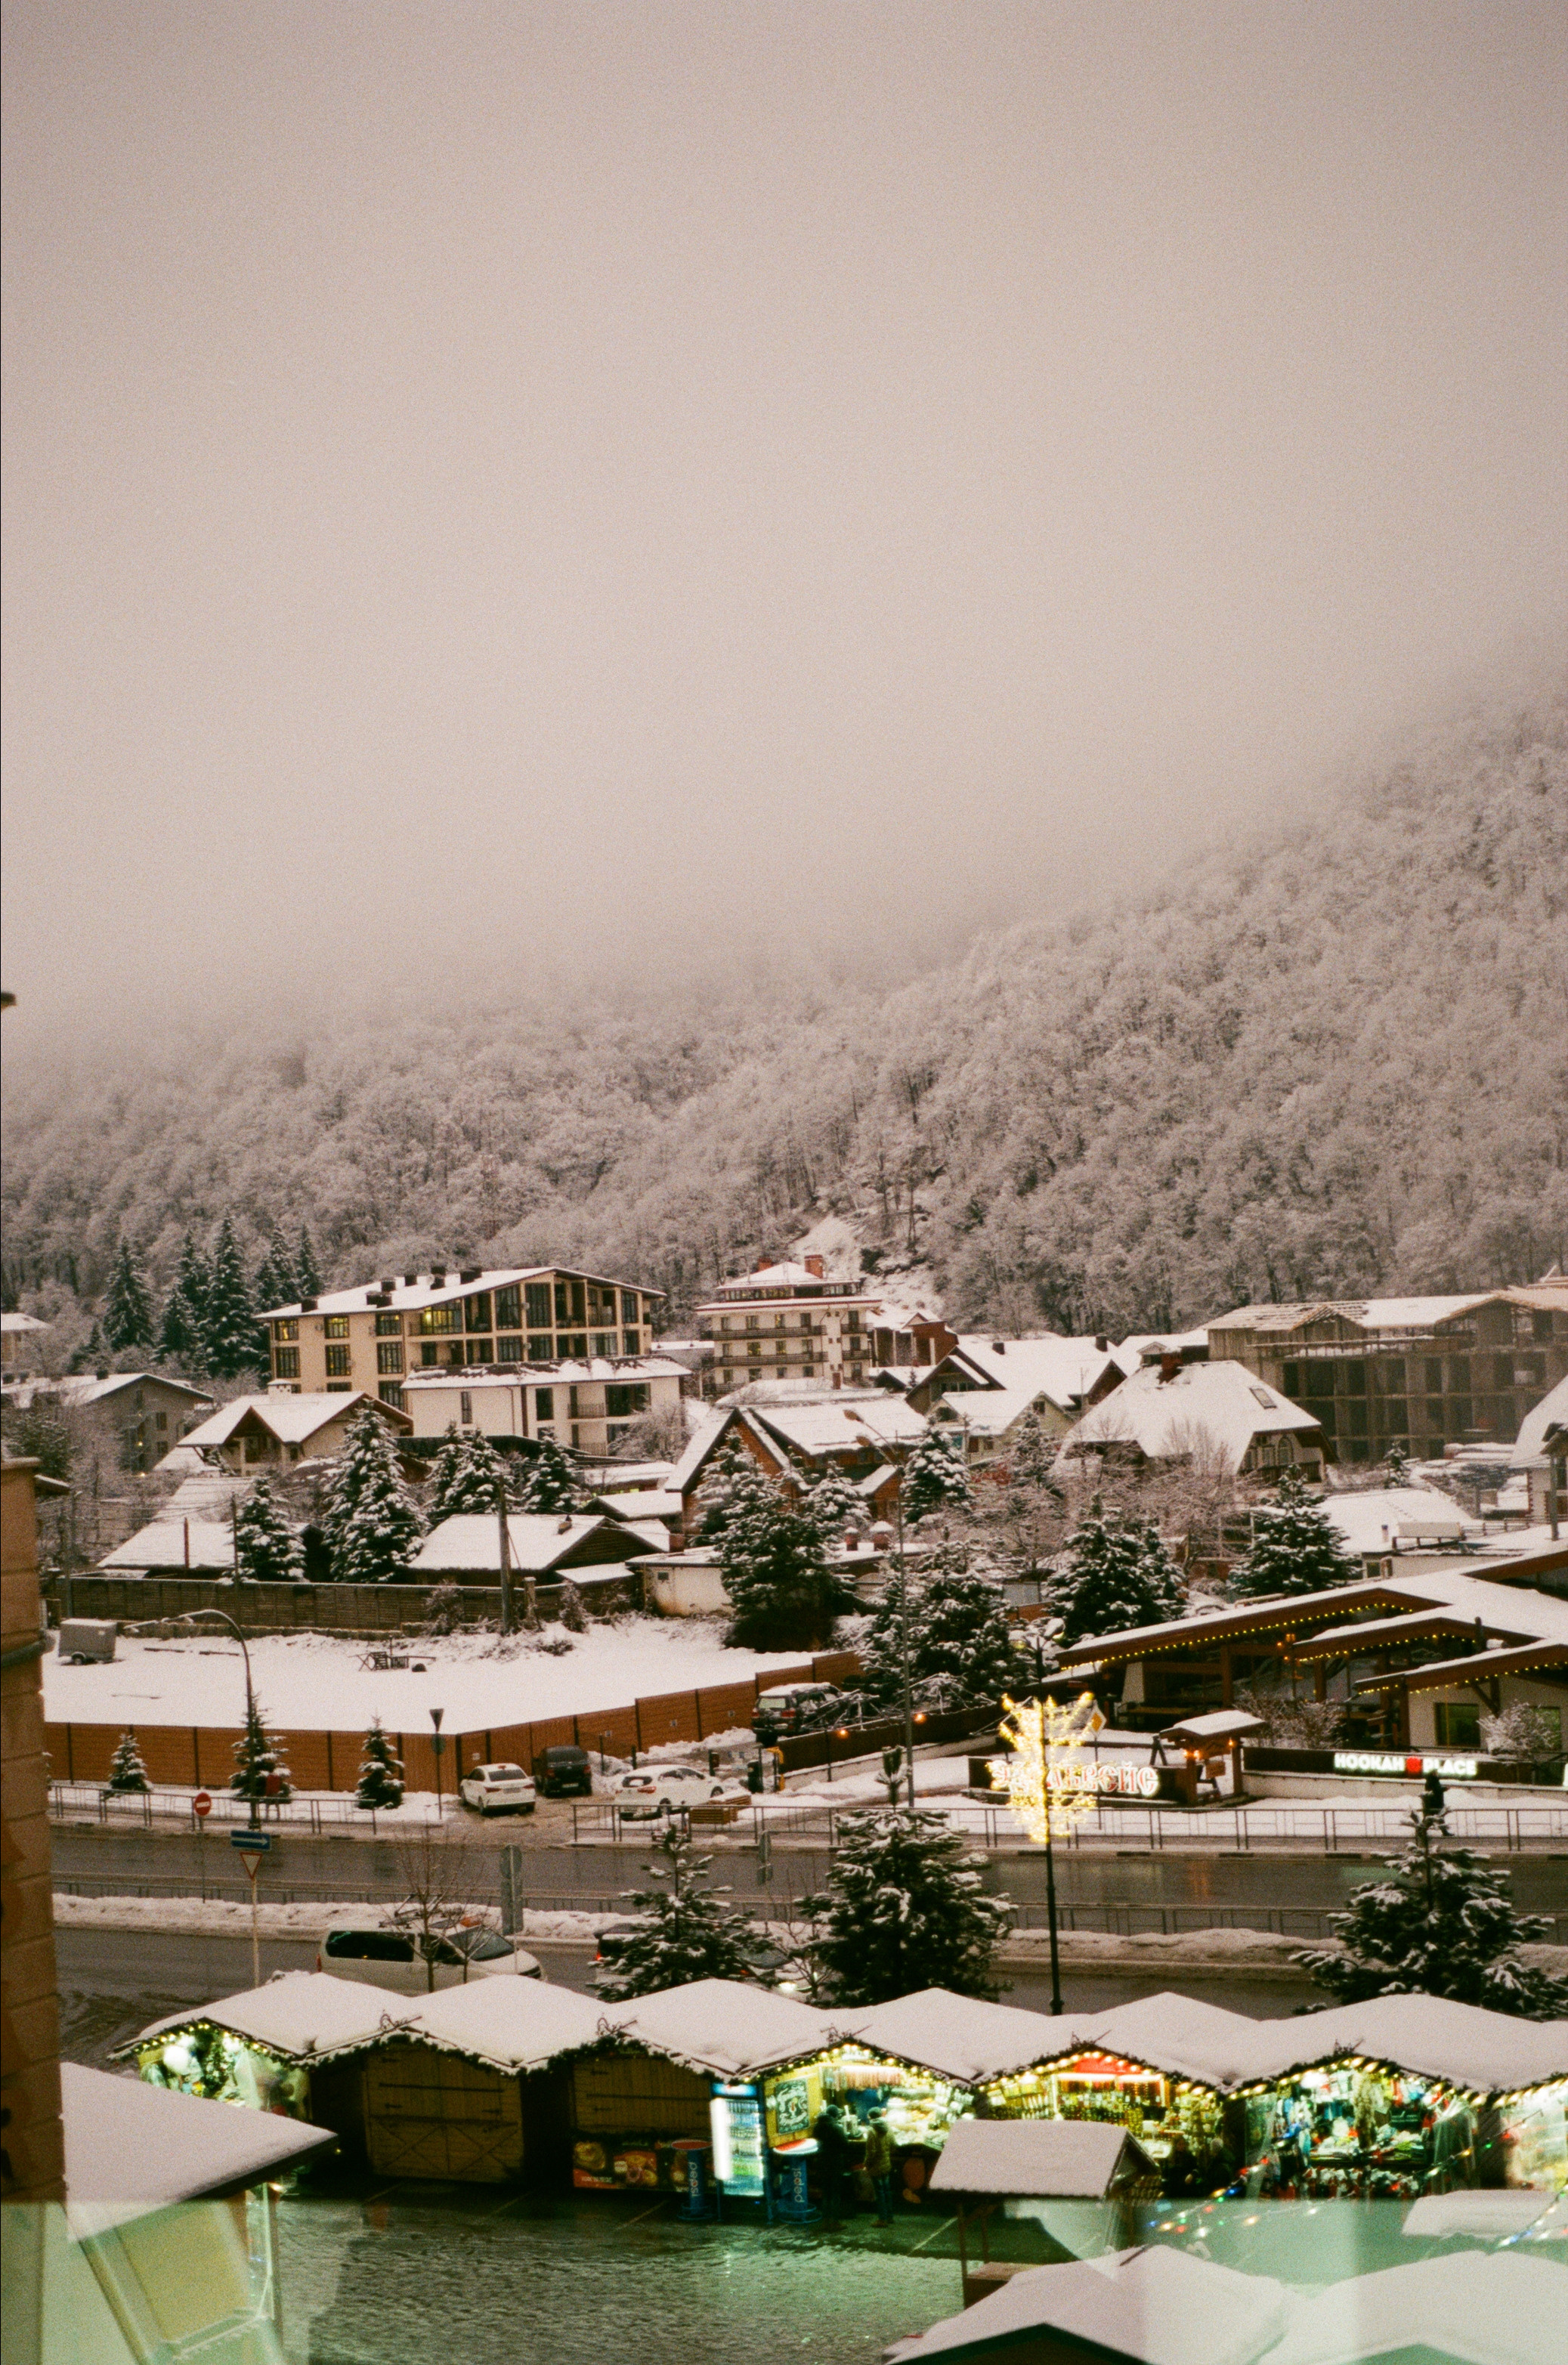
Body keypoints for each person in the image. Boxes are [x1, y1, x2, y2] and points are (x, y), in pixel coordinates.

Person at [813, 2107, 852, 2221]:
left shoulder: (817, 2126)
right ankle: (834, 2221)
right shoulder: (836, 2127)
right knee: (835, 2193)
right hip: (834, 2163)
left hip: (821, 2162)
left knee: (826, 2193)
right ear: (836, 2116)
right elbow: (845, 2144)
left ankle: (825, 2220)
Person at [864, 2113, 895, 2224]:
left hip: (876, 2166)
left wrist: (866, 2164)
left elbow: (871, 2152)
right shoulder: (888, 2128)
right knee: (887, 2191)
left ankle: (882, 2219)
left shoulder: (872, 2131)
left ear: (871, 2118)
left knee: (880, 2192)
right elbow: (894, 2145)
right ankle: (890, 2217)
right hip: (886, 2164)